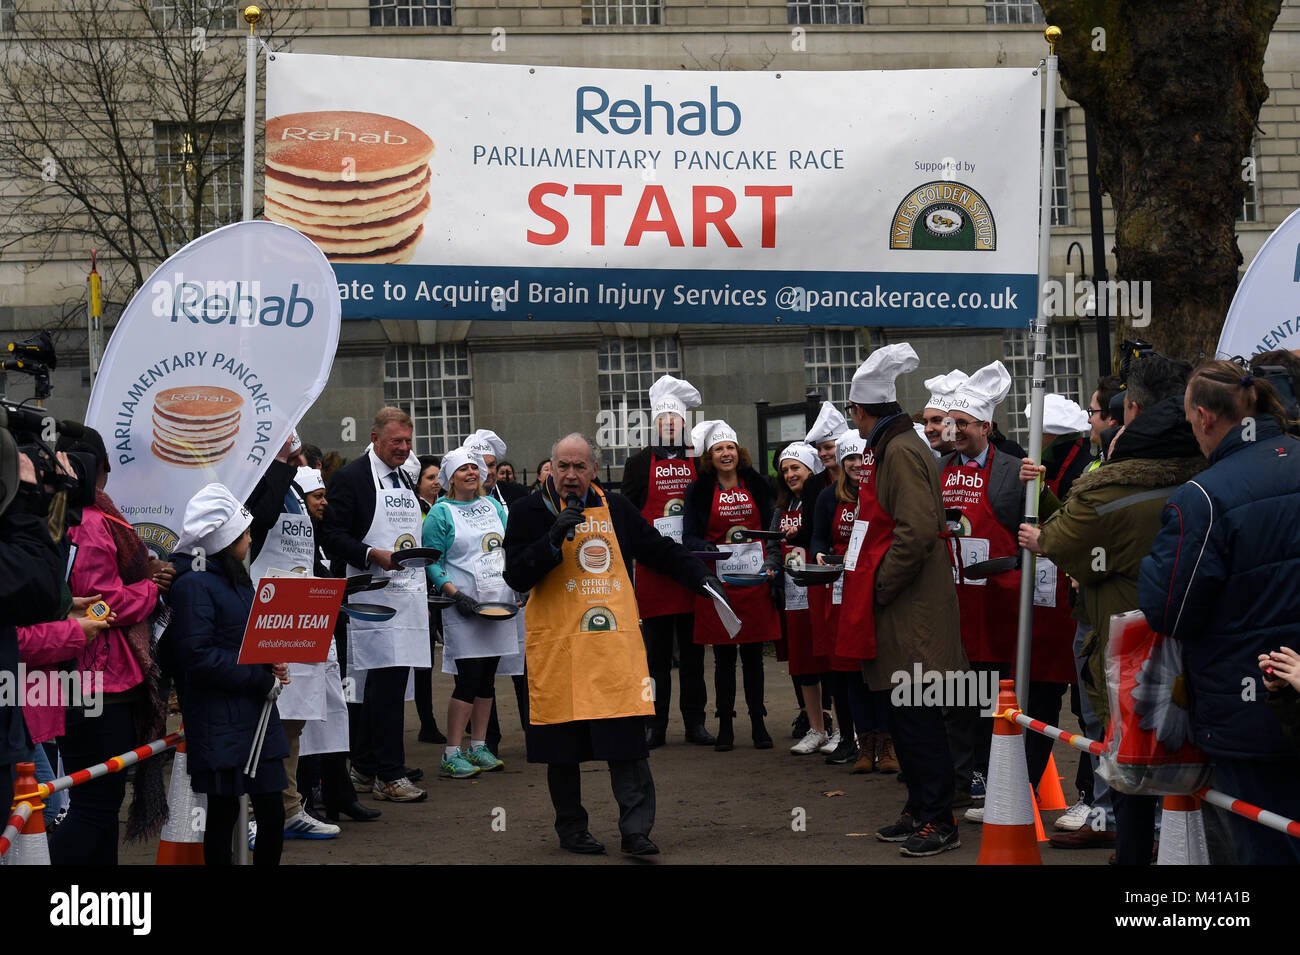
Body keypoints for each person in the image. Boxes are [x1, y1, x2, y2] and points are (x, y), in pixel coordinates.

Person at [1019, 353, 1203, 864]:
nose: (1102, 424)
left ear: (1134, 412)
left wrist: (1047, 524)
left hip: (1132, 647)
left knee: (1136, 766)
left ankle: (1135, 853)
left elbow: (1073, 541)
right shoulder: (1204, 470)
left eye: (1108, 415)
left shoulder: (1114, 485)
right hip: (1190, 645)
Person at [503, 434, 717, 856]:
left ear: (594, 471)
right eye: (562, 466)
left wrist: (698, 576)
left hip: (610, 651)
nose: (570, 475)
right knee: (562, 747)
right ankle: (572, 829)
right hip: (559, 651)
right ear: (551, 467)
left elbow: (655, 548)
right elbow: (515, 575)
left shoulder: (616, 508)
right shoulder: (528, 511)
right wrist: (550, 541)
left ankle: (635, 831)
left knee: (626, 745)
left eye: (579, 467)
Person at [1138, 359, 1300, 864]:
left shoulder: (1204, 498)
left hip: (1251, 708)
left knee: (1265, 843)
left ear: (1205, 417)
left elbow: (1170, 610)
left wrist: (1149, 565)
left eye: (1190, 423)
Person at [838, 343, 967, 857]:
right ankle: (918, 808)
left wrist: (880, 586)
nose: (853, 419)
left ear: (864, 412)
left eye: (853, 411)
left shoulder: (900, 450)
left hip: (910, 609)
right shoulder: (896, 446)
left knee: (917, 715)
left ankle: (939, 819)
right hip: (904, 607)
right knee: (904, 713)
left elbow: (915, 532)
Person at [40, 428, 169, 864]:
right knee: (95, 807)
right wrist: (150, 590)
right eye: (105, 463)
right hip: (100, 681)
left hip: (79, 676)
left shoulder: (55, 516)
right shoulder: (89, 523)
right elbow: (101, 607)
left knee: (97, 803)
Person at [160, 484, 290, 866]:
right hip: (219, 715)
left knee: (271, 810)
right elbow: (197, 656)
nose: (250, 539)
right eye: (245, 533)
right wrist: (258, 677)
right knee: (222, 814)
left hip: (255, 714)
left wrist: (272, 663)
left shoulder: (235, 579)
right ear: (225, 539)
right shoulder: (195, 584)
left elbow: (247, 639)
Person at [318, 407, 429, 803]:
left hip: (407, 595)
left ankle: (364, 768)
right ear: (375, 437)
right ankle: (390, 775)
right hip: (371, 599)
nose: (402, 448)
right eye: (395, 441)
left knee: (388, 688)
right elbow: (330, 535)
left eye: (407, 442)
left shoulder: (403, 477)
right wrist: (369, 553)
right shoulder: (351, 479)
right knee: (380, 690)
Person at [1013, 394, 1100, 843]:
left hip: (1081, 595)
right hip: (1050, 603)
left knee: (1089, 707)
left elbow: (1073, 525)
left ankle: (1090, 796)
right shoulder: (1054, 465)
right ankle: (1023, 784)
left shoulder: (1089, 467)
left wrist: (1046, 530)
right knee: (1043, 696)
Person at [246, 454, 346, 843]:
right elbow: (261, 518)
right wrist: (282, 463)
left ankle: (289, 809)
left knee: (295, 716)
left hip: (301, 605)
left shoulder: (294, 488)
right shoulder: (256, 480)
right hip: (268, 603)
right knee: (264, 716)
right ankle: (254, 813)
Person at [619, 374, 713, 748]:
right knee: (655, 657)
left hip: (689, 567)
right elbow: (626, 514)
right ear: (655, 426)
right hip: (655, 568)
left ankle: (696, 723)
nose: (670, 426)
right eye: (663, 422)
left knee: (692, 654)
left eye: (675, 421)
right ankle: (654, 725)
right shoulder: (639, 462)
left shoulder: (699, 460)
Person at [683, 419, 780, 752]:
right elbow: (689, 536)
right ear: (710, 456)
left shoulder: (758, 483)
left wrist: (769, 562)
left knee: (754, 657)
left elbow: (771, 526)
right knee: (723, 659)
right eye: (719, 449)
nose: (726, 454)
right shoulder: (699, 489)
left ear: (739, 452)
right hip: (719, 583)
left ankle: (758, 723)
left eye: (730, 448)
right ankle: (724, 723)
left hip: (753, 581)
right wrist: (706, 548)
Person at [422, 446, 517, 779]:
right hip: (464, 606)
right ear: (450, 477)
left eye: (474, 468)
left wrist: (517, 586)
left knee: (487, 678)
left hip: (496, 603)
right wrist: (455, 594)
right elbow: (432, 560)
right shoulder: (441, 513)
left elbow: (510, 545)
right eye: (463, 469)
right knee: (468, 678)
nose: (472, 473)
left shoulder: (491, 504)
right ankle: (451, 752)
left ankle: (478, 745)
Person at [0, 439, 72, 821]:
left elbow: (48, 591)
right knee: (47, 811)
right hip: (25, 701)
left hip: (23, 712)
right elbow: (40, 592)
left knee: (46, 808)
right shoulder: (20, 532)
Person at [808, 431, 871, 766]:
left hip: (870, 587)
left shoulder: (879, 494)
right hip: (837, 589)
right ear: (843, 464)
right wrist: (820, 555)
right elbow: (817, 536)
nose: (857, 465)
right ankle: (847, 737)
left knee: (867, 668)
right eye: (851, 459)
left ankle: (876, 740)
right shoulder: (828, 497)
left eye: (862, 458)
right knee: (839, 667)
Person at [766, 442, 831, 755]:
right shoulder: (783, 507)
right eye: (786, 469)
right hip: (793, 596)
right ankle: (816, 729)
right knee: (803, 664)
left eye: (796, 468)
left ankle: (843, 730)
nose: (790, 474)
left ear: (811, 470)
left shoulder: (820, 501)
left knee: (828, 664)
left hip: (819, 590)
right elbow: (775, 548)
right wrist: (769, 568)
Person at [413, 453, 447, 745]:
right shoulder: (415, 511)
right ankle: (427, 722)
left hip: (447, 591)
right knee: (424, 665)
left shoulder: (446, 507)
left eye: (438, 477)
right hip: (424, 593)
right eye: (430, 477)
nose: (436, 483)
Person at [465, 429, 528, 506]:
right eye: (481, 466)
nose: (488, 472)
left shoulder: (517, 493)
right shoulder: (458, 498)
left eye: (491, 465)